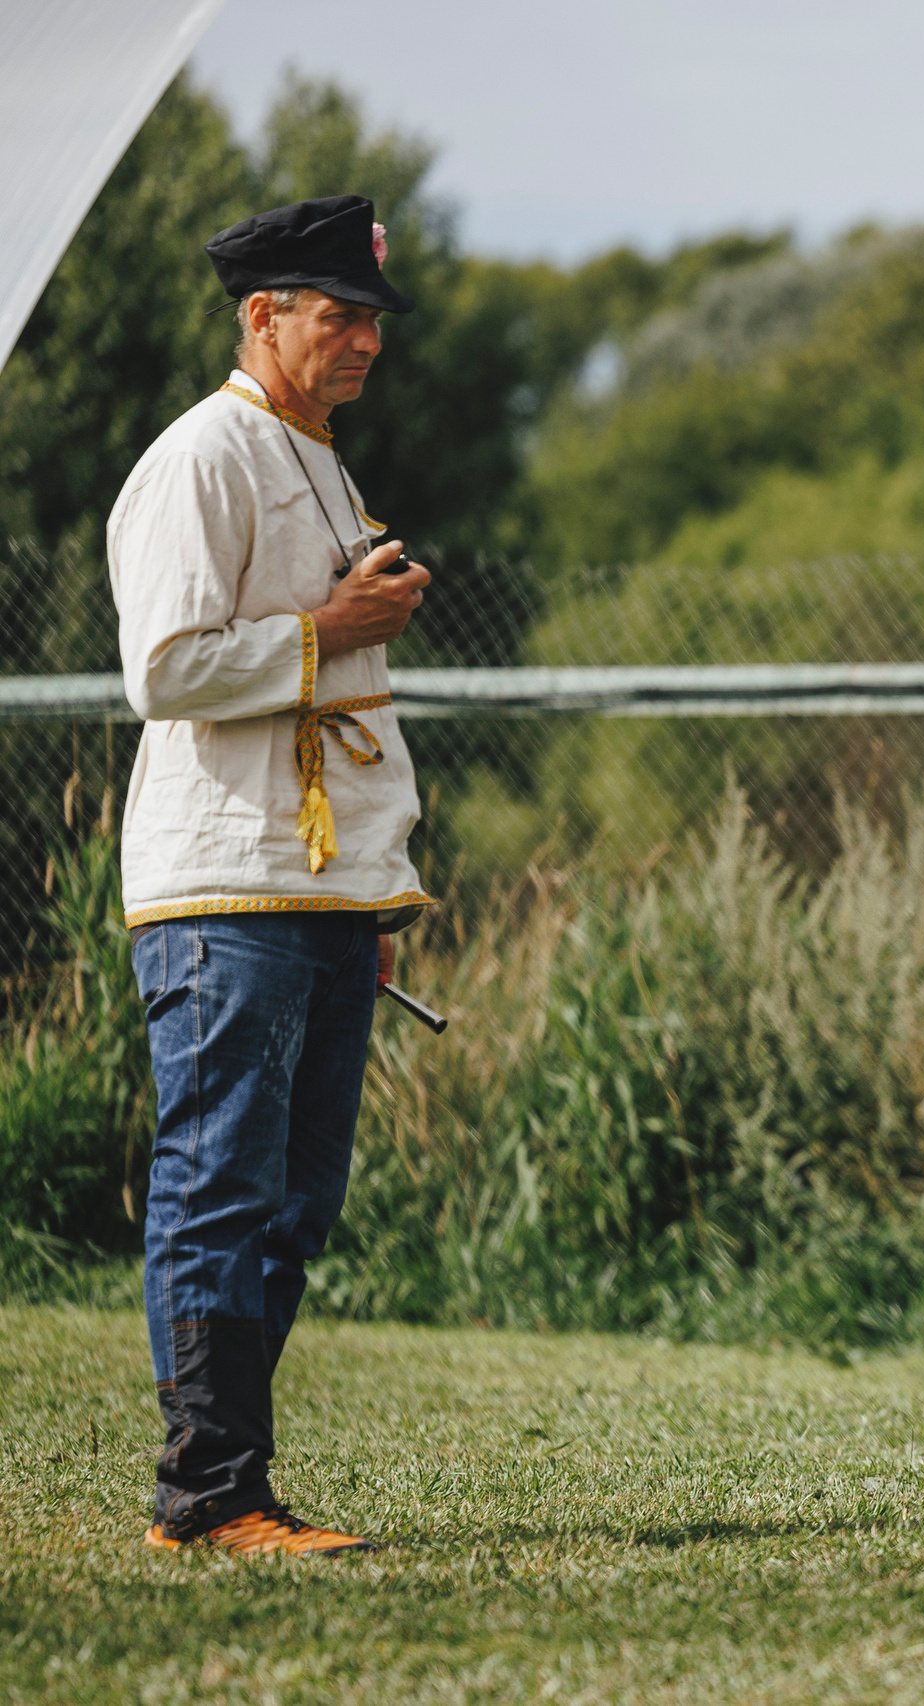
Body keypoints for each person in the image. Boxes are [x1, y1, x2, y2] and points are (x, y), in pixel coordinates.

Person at [109, 194, 434, 1555]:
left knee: (292, 1203)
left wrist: (377, 886)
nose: (364, 339)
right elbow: (167, 669)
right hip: (225, 883)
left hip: (316, 885)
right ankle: (211, 1493)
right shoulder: (205, 454)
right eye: (336, 313)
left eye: (370, 317)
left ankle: (230, 1484)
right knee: (221, 1184)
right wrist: (332, 624)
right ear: (263, 317)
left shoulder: (313, 458)